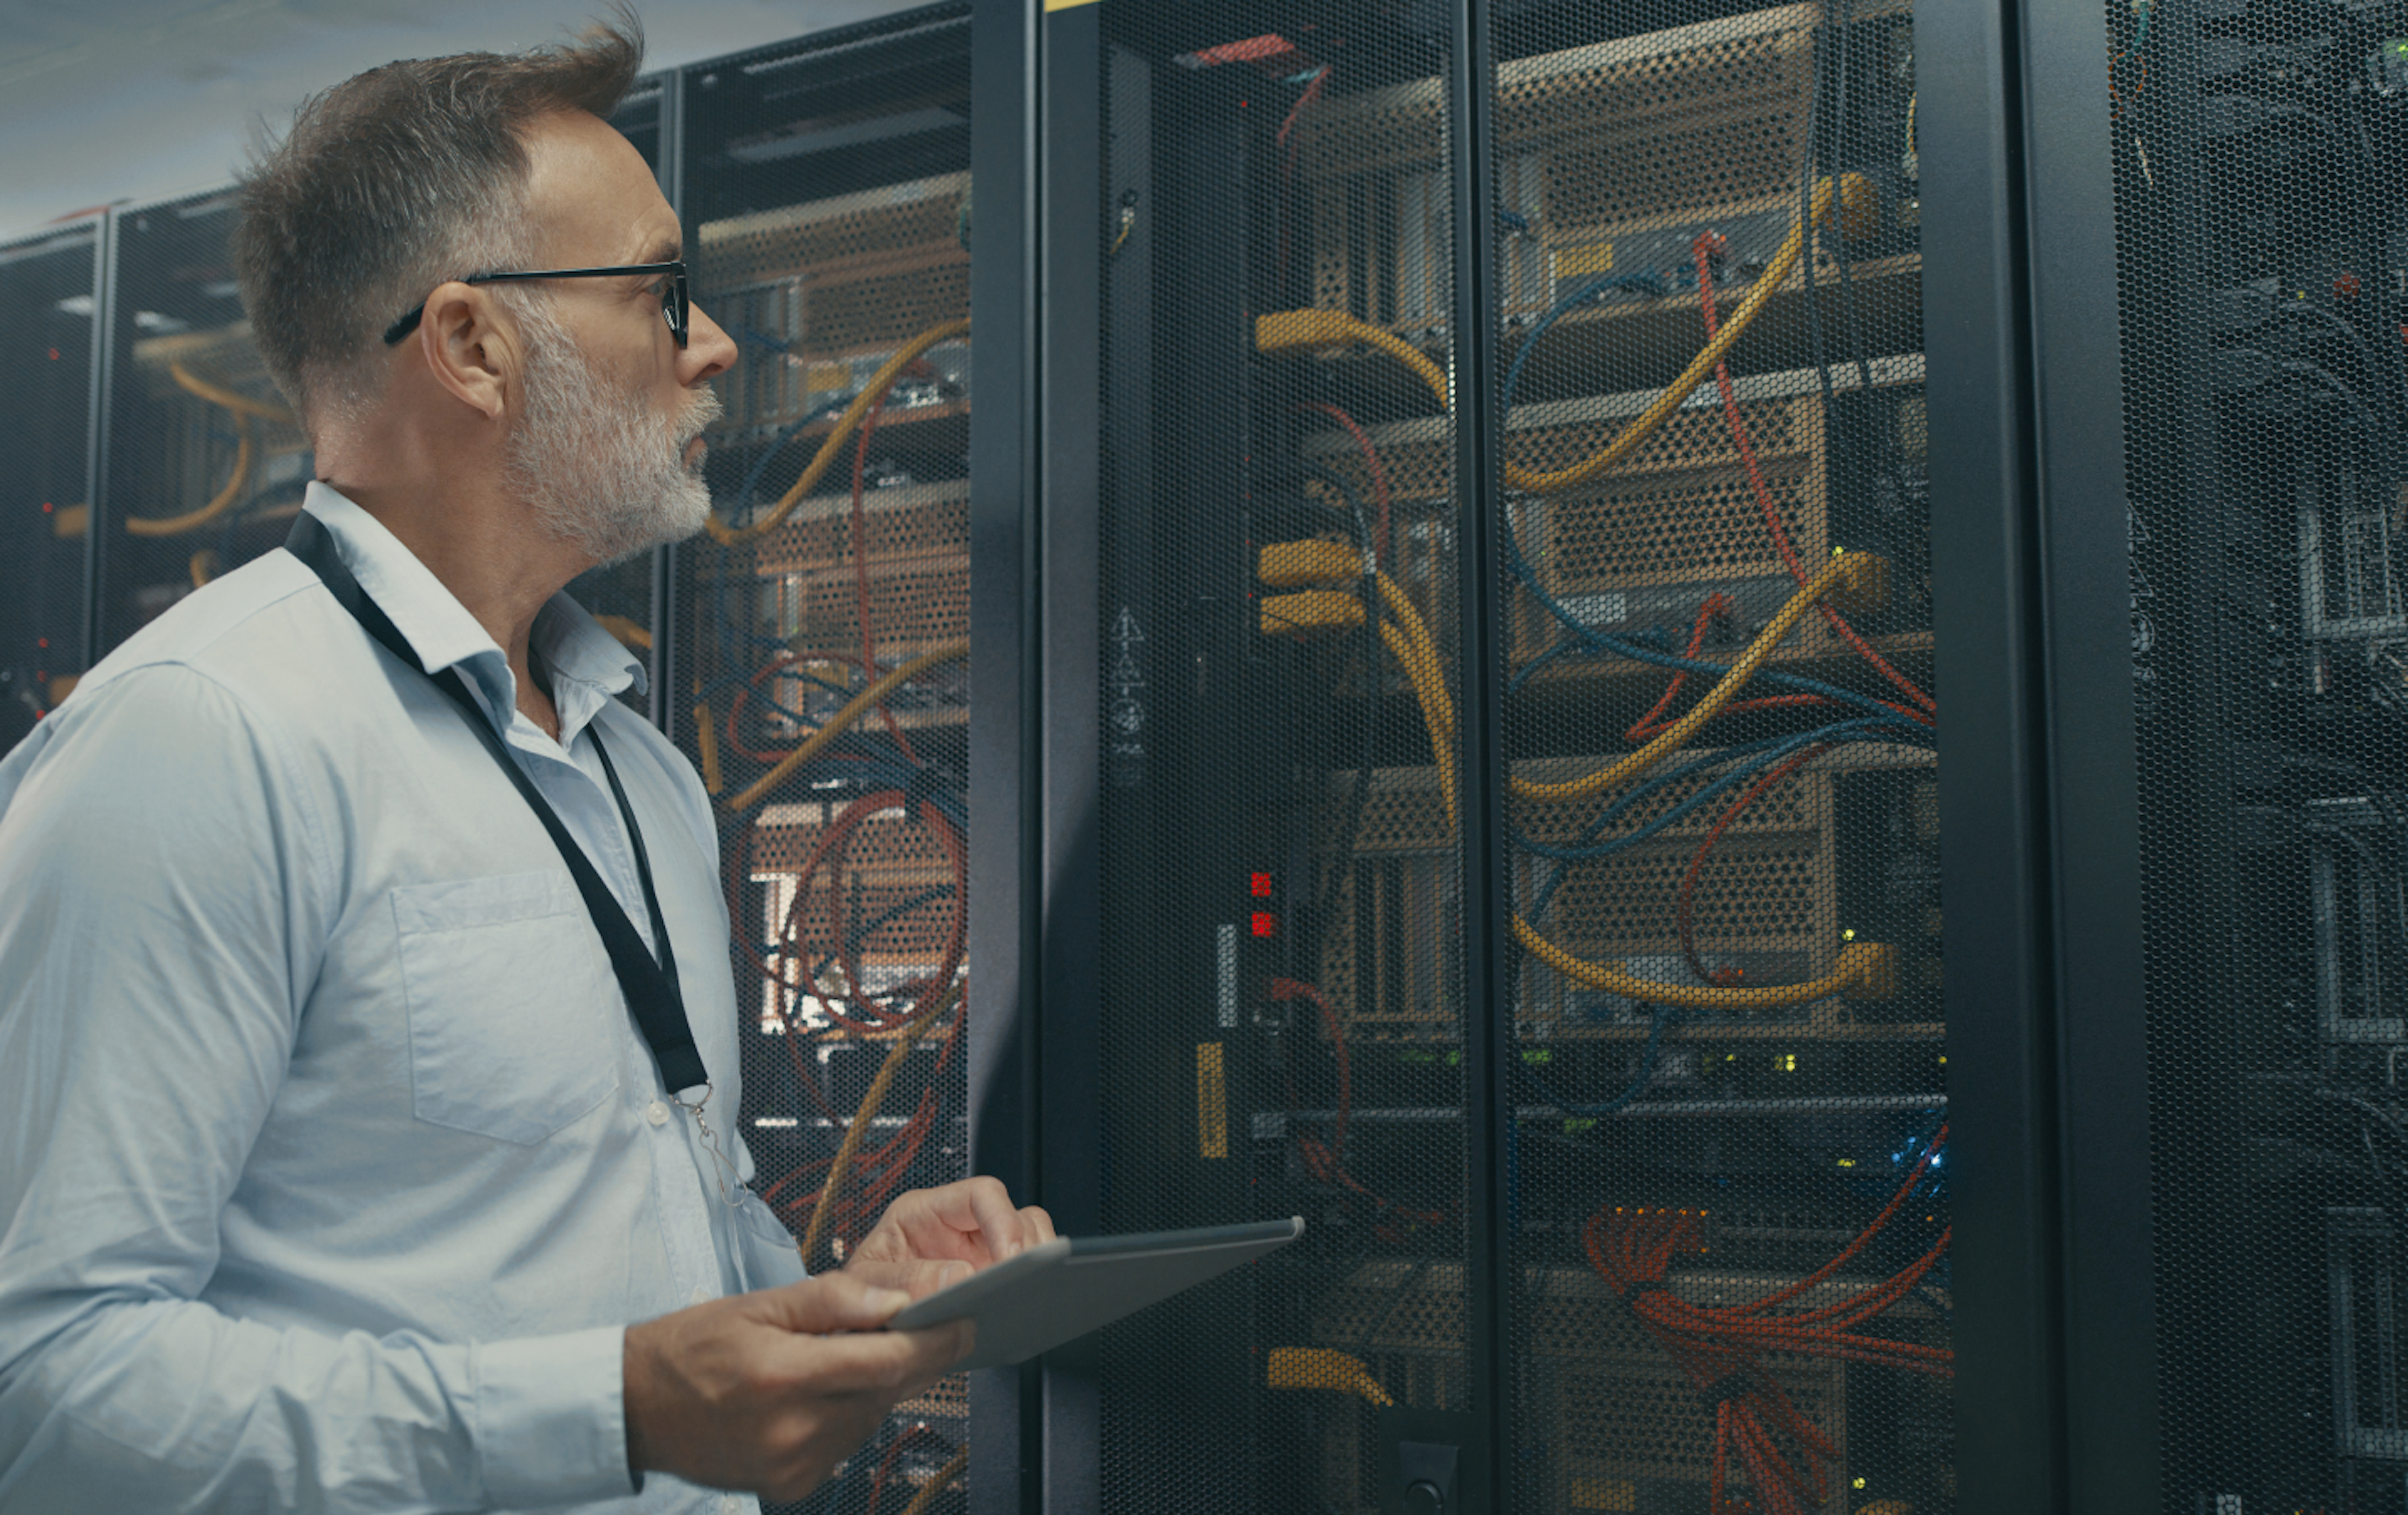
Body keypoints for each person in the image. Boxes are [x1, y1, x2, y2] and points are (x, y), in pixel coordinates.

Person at [0, 15, 1047, 1512]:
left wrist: (836, 1303)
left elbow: (640, 1227)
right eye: (659, 295)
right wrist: (606, 1409)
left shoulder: (641, 769)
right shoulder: (199, 740)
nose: (714, 344)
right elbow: (44, 1390)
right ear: (473, 345)